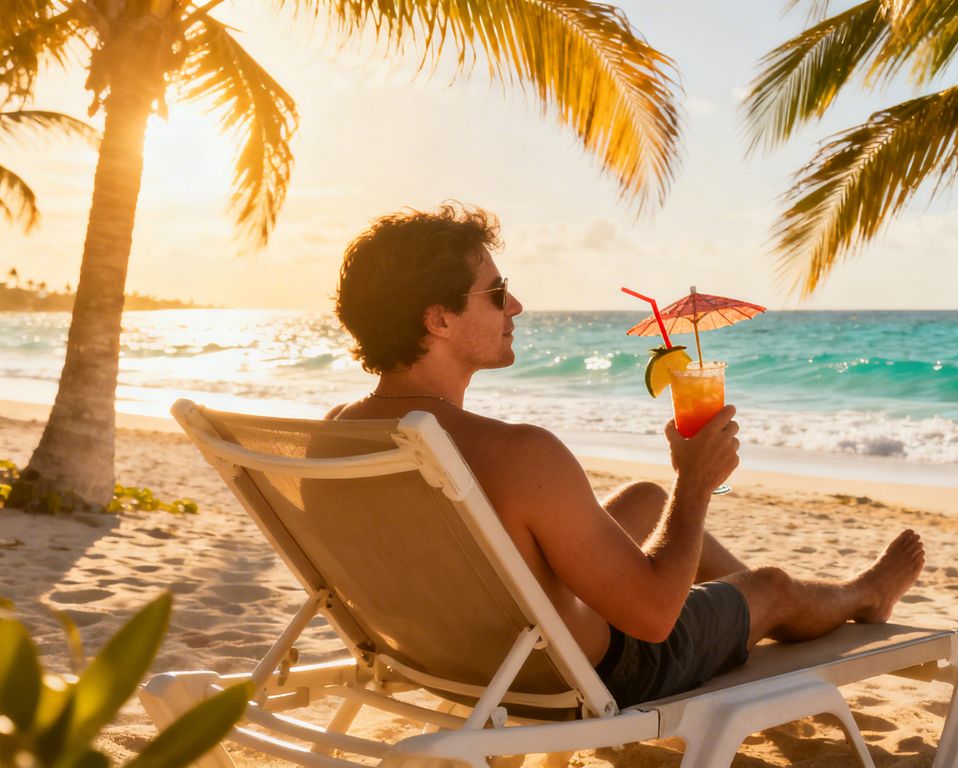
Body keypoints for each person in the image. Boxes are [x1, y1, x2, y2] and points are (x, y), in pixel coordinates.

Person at [327, 203, 927, 707]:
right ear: (439, 319)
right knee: (768, 583)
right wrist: (695, 483)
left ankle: (744, 611)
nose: (516, 307)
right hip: (589, 671)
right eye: (497, 292)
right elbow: (654, 620)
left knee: (645, 501)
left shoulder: (337, 438)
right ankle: (853, 597)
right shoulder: (520, 455)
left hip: (461, 656)